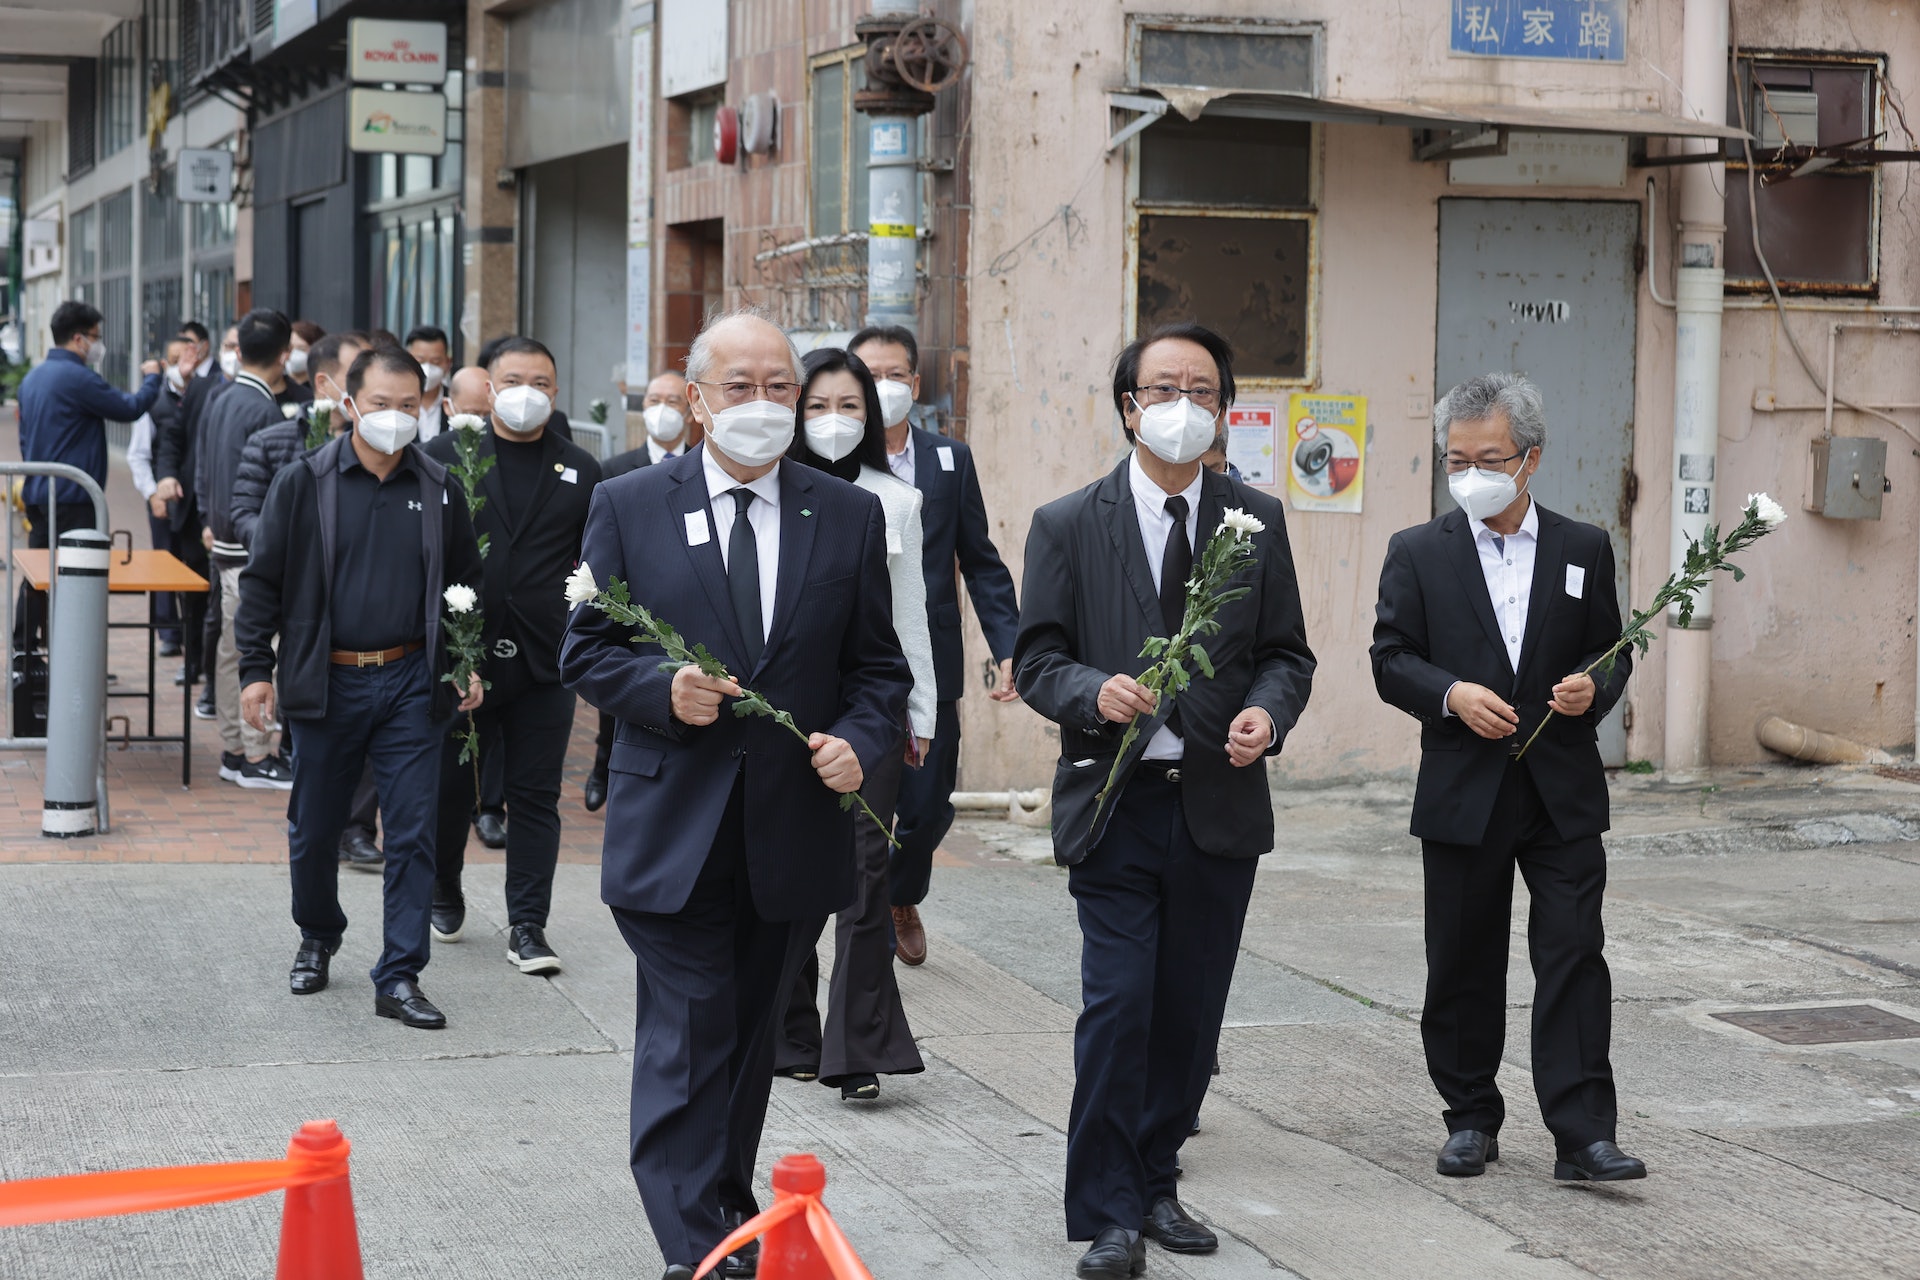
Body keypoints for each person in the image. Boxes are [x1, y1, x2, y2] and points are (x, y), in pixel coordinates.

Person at [559, 310, 910, 1280]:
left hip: (789, 832)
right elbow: (583, 648)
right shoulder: (629, 502)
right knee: (688, 1028)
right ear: (697, 394)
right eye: (740, 386)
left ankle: (723, 1209)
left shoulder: (844, 513)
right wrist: (657, 693)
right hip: (669, 823)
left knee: (749, 1042)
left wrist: (862, 738)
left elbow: (878, 670)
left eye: (778, 387)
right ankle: (697, 1247)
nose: (762, 406)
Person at [1014, 322, 1315, 1279]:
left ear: (1223, 408)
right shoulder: (1069, 523)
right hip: (1115, 801)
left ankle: (1154, 1179)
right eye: (1163, 388)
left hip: (1217, 803)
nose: (1183, 405)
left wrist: (1267, 715)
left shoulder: (1253, 517)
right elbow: (1037, 659)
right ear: (1129, 406)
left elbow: (1286, 655)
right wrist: (1089, 692)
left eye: (1203, 389)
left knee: (1190, 1012)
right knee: (1119, 1006)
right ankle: (1105, 1211)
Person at [1370, 372, 1645, 1185]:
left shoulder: (1584, 546)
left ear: (1530, 459)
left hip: (1559, 790)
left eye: (1487, 458)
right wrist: (1450, 695)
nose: (1470, 474)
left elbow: (1611, 649)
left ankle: (1583, 1134)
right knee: (1461, 958)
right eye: (1456, 460)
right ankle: (1469, 1117)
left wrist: (1596, 688)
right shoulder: (1418, 552)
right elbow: (1391, 661)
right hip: (1464, 790)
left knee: (1573, 953)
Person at [236, 345, 484, 1029]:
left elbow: (467, 584)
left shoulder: (438, 486)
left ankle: (399, 974)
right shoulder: (304, 482)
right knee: (314, 829)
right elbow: (261, 584)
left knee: (412, 833)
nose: (396, 418)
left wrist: (465, 659)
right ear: (348, 404)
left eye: (410, 406)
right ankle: (318, 933)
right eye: (381, 404)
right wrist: (256, 669)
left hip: (412, 680)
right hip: (327, 681)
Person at [773, 348, 936, 1101]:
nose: (832, 422)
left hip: (871, 714)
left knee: (867, 879)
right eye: (816, 406)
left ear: (871, 417)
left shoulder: (894, 501)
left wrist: (920, 712)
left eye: (849, 407)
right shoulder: (768, 492)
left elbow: (911, 619)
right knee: (794, 874)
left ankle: (858, 1050)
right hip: (786, 707)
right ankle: (789, 1033)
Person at [425, 337, 602, 974]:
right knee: (449, 789)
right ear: (489, 387)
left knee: (534, 796)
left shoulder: (580, 468)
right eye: (513, 379)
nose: (527, 390)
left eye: (541, 381)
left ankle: (528, 924)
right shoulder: (443, 458)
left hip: (544, 658)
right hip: (459, 659)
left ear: (555, 393)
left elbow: (593, 562)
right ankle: (444, 886)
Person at [848, 325, 1021, 967]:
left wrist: (1010, 645)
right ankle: (856, 919)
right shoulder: (831, 460)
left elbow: (980, 560)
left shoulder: (950, 460)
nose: (883, 387)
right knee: (857, 801)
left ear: (915, 385)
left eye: (896, 375)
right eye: (870, 376)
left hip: (932, 665)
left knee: (924, 809)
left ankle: (902, 894)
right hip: (854, 659)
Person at [231, 332, 384, 868]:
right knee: (316, 735)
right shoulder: (278, 442)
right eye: (360, 371)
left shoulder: (389, 458)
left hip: (369, 636)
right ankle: (319, 827)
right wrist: (290, 545)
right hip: (301, 614)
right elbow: (244, 510)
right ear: (329, 384)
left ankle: (358, 828)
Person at [13, 301, 164, 648]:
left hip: (40, 493)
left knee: (41, 575)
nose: (99, 345)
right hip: (72, 499)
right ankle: (67, 658)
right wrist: (153, 377)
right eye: (96, 337)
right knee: (76, 579)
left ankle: (29, 651)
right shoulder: (78, 378)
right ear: (79, 339)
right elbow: (129, 408)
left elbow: (25, 439)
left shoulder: (34, 378)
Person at [197, 308, 299, 789]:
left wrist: (205, 519)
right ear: (285, 355)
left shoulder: (221, 396)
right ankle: (256, 756)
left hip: (222, 542)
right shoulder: (262, 409)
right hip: (247, 547)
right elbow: (264, 489)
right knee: (256, 649)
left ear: (238, 350)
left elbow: (202, 466)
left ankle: (235, 750)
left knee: (230, 651)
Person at [585, 369, 693, 812]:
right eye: (653, 399)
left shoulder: (701, 465)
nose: (662, 409)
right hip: (628, 599)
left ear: (690, 408)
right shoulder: (614, 471)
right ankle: (603, 767)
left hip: (681, 600)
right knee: (620, 694)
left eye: (671, 400)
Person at [127, 335, 191, 655]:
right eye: (174, 359)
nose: (182, 365)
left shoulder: (206, 395)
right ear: (165, 364)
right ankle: (168, 631)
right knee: (164, 559)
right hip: (161, 496)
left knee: (191, 561)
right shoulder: (152, 402)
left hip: (193, 497)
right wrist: (153, 493)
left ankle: (192, 628)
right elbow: (137, 455)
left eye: (187, 357)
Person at [405, 325, 451, 440]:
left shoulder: (455, 402)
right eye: (420, 361)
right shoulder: (395, 403)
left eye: (435, 362)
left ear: (448, 363)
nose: (428, 369)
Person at [286, 320, 324, 399]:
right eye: (289, 348)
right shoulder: (278, 388)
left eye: (301, 349)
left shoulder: (322, 390)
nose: (294, 353)